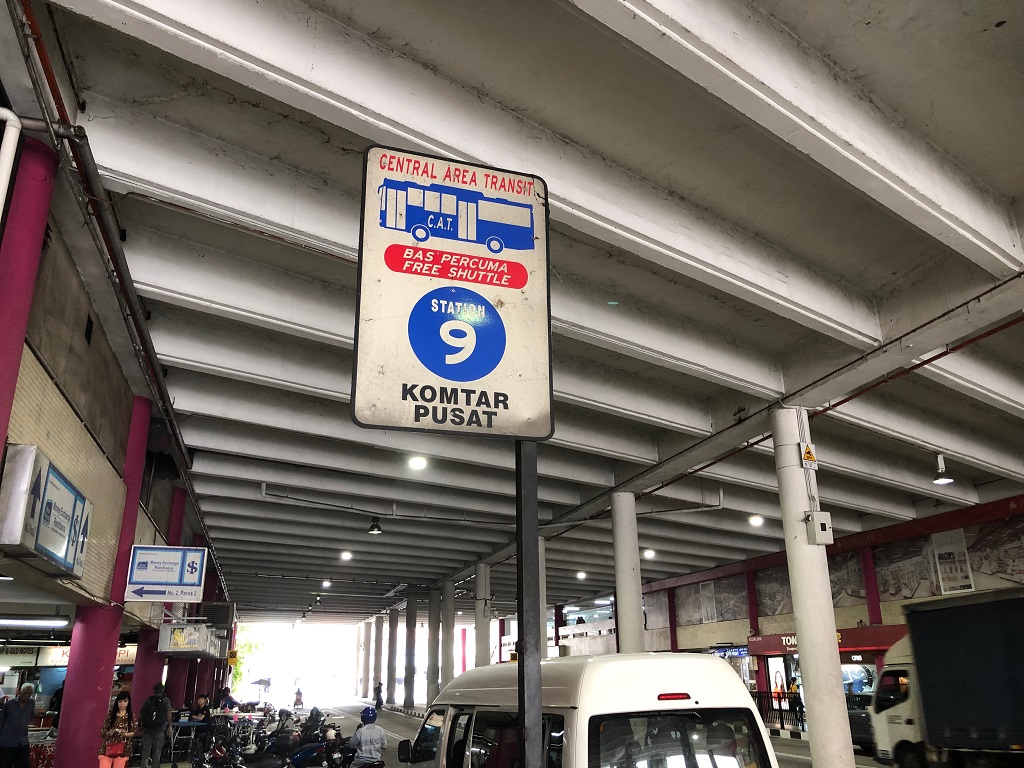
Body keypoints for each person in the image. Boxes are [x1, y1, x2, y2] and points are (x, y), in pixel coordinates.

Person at [0, 683, 36, 768]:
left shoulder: (31, 703)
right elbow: (1, 721)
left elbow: (31, 716)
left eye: (30, 693)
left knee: (24, 765)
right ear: (20, 692)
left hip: (23, 742)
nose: (28, 695)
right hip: (7, 742)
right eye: (26, 693)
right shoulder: (9, 705)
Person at [138, 682, 172, 768]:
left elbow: (142, 713)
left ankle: (144, 766)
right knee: (157, 749)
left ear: (154, 690)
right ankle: (155, 765)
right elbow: (168, 713)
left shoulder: (149, 699)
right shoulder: (166, 700)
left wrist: (139, 724)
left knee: (146, 749)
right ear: (163, 690)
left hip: (147, 728)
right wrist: (170, 725)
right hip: (159, 727)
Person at [98, 691, 135, 768]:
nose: (122, 704)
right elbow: (103, 732)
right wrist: (110, 732)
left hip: (123, 749)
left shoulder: (131, 716)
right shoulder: (111, 715)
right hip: (108, 747)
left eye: (125, 701)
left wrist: (125, 734)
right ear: (117, 702)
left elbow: (133, 732)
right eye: (120, 701)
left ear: (128, 702)